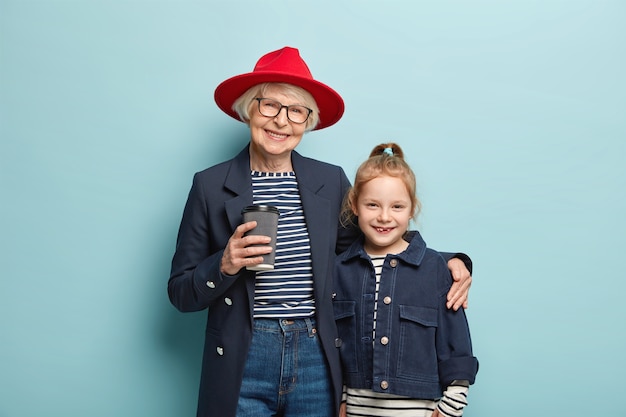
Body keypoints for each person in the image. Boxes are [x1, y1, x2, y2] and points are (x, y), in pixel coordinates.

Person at [168, 47, 473, 417]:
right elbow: (181, 294)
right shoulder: (210, 185)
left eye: (296, 111)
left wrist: (448, 262)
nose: (282, 121)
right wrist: (225, 264)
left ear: (307, 121)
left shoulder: (329, 180)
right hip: (243, 352)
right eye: (270, 106)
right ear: (249, 108)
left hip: (317, 350)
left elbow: (367, 248)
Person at [333, 143, 479, 417]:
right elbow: (337, 342)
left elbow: (456, 343)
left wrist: (451, 408)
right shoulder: (340, 269)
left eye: (397, 206)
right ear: (354, 205)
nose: (384, 216)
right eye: (372, 205)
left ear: (412, 209)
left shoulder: (437, 268)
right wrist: (341, 398)